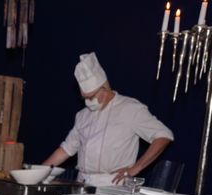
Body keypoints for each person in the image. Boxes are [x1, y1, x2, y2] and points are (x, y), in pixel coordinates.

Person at [42, 52, 174, 186]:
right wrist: (39, 172)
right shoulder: (82, 115)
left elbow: (163, 136)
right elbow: (66, 150)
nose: (88, 102)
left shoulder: (129, 108)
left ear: (104, 89)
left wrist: (136, 168)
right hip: (82, 185)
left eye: (91, 97)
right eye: (84, 98)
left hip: (113, 186)